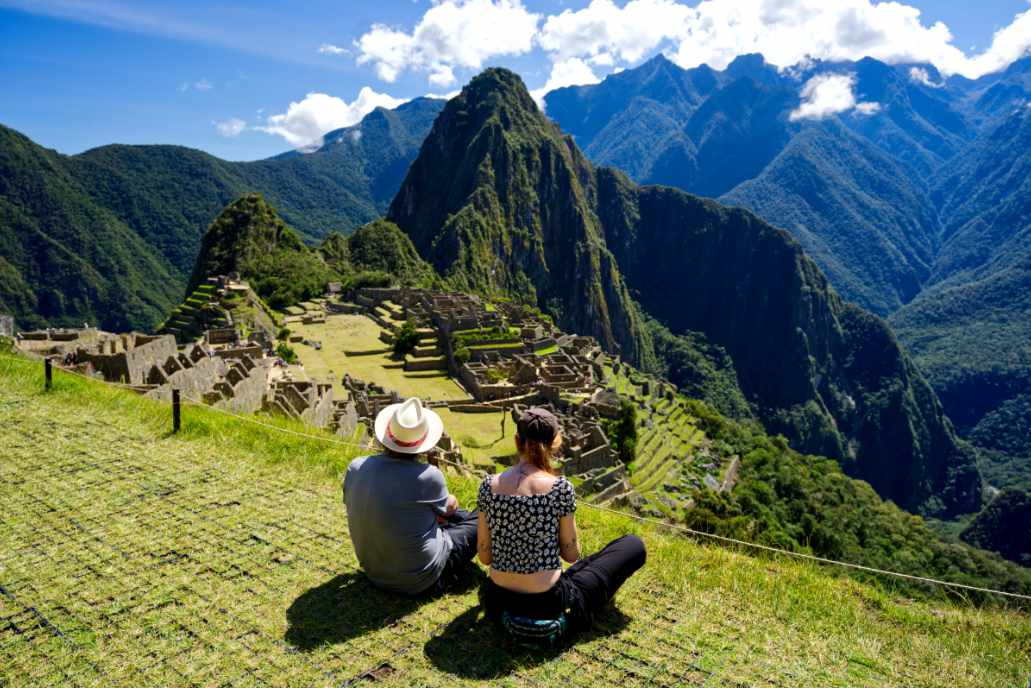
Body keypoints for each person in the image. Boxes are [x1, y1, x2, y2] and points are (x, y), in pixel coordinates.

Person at [476, 407, 646, 645]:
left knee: (577, 570)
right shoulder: (560, 488)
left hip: (499, 599)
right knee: (633, 545)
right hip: (549, 602)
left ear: (517, 441)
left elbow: (484, 556)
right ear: (555, 443)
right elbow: (571, 554)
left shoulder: (488, 486)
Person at [343, 397, 478, 595]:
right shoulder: (428, 476)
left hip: (374, 572)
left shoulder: (355, 467)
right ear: (424, 443)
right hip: (422, 581)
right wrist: (450, 500)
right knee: (483, 515)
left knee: (448, 516)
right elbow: (450, 509)